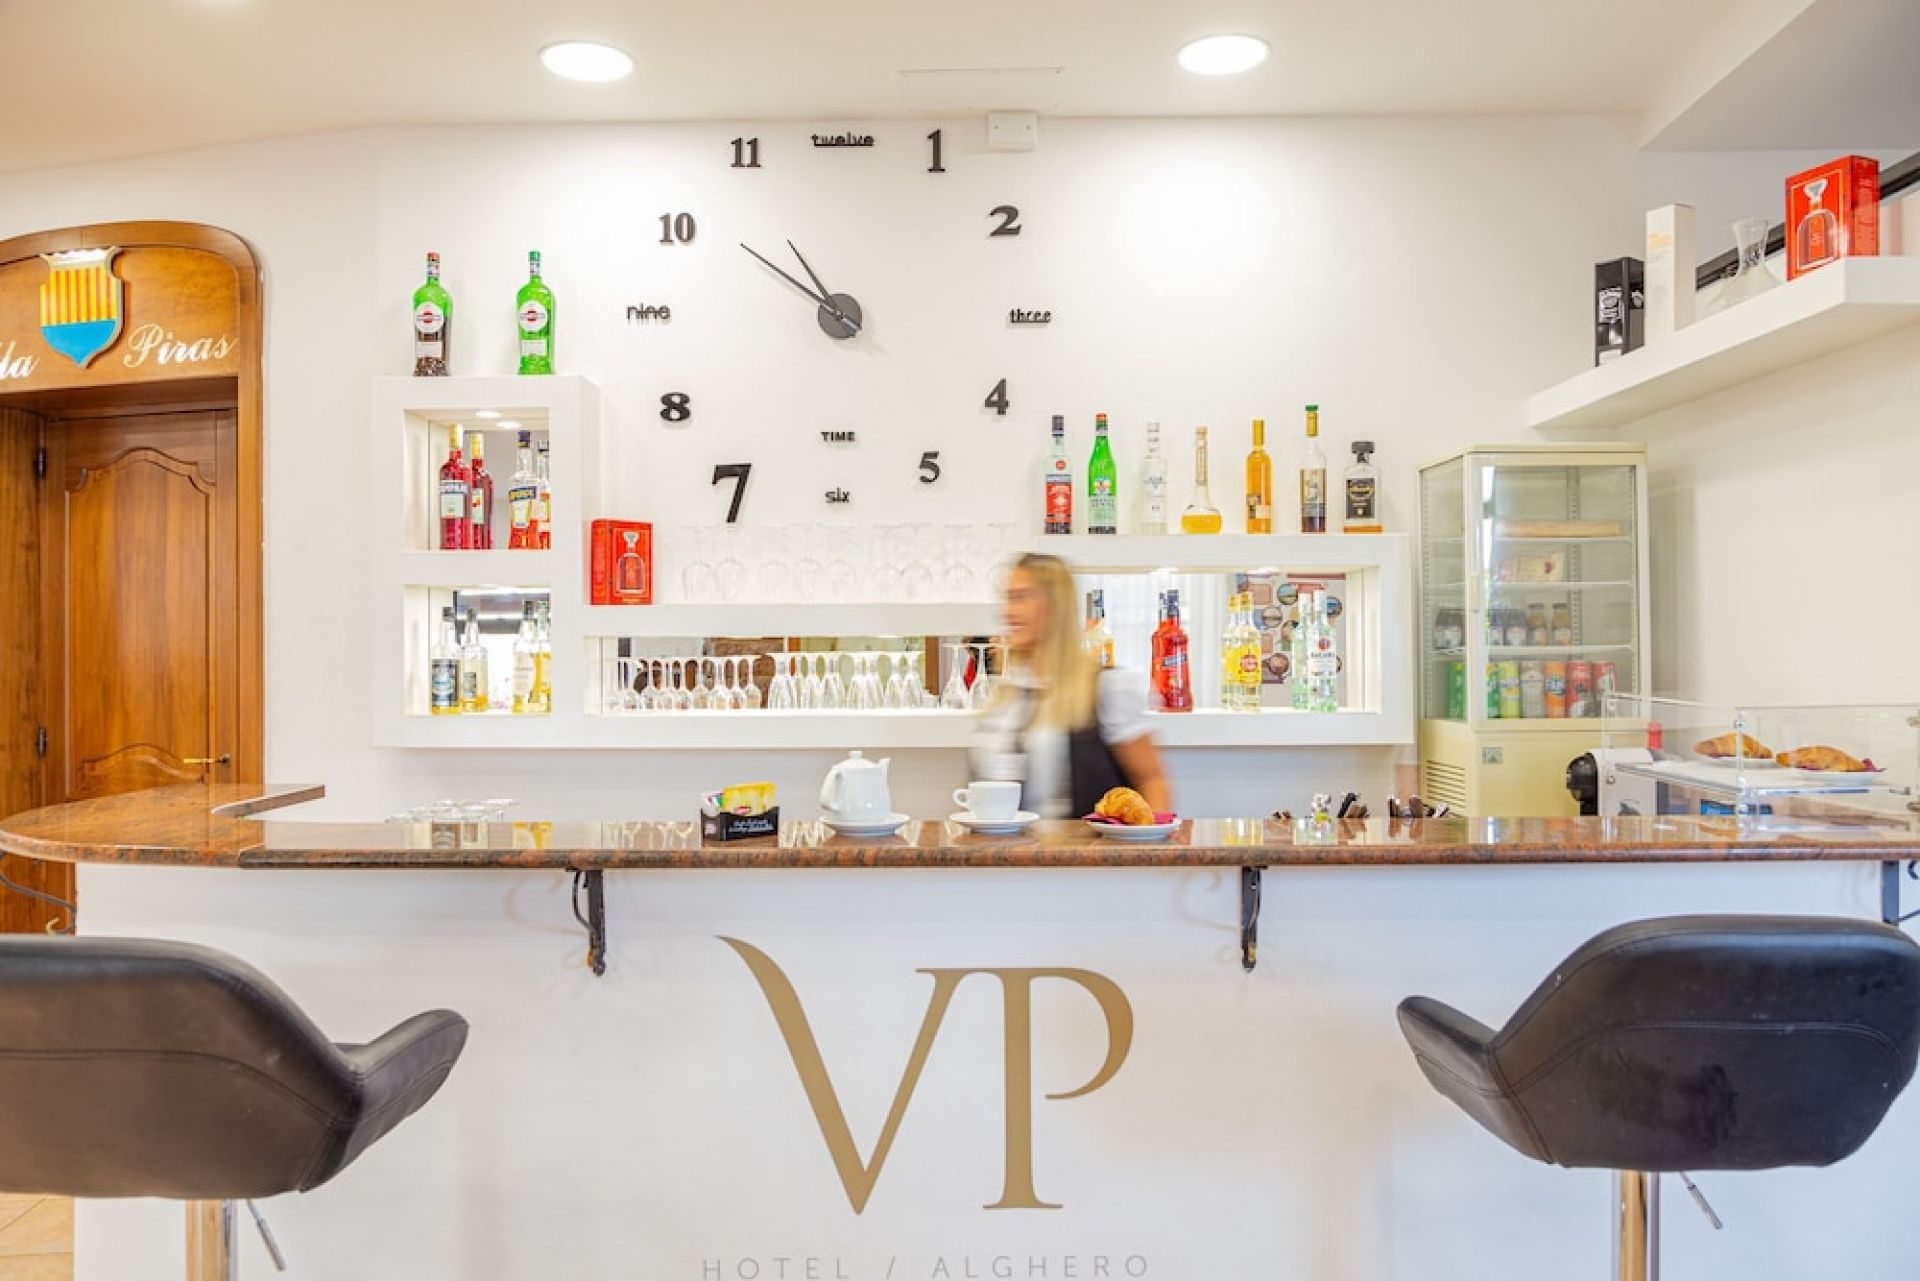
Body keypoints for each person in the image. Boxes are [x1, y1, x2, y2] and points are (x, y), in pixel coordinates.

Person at [968, 553, 1171, 818]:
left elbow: (1152, 781)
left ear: (1056, 607)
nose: (1007, 612)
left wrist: (1148, 837)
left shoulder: (1106, 688)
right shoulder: (1008, 693)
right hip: (1001, 846)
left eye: (1021, 597)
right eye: (1007, 598)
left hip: (1077, 846)